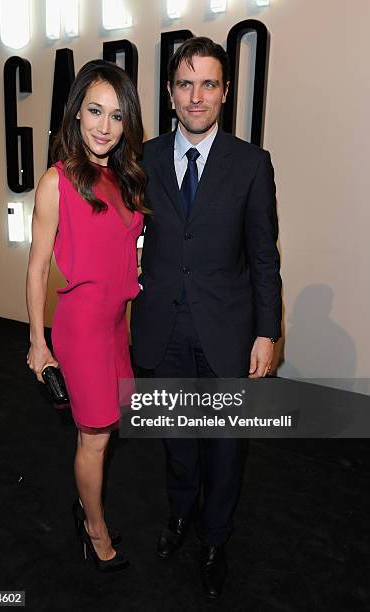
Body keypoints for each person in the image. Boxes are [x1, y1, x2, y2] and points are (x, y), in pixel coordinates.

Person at [131, 37, 282, 598]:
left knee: (223, 442)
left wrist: (267, 331)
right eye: (186, 84)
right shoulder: (142, 158)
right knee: (176, 435)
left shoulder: (251, 164)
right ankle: (178, 516)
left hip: (227, 330)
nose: (197, 96)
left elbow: (265, 256)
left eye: (209, 84)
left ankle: (216, 536)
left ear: (224, 94)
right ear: (171, 94)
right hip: (162, 326)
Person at [26, 59, 146, 572]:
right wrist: (38, 343)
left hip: (117, 327)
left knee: (106, 429)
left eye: (116, 116)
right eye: (94, 111)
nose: (104, 126)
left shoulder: (124, 178)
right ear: (76, 115)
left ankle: (86, 507)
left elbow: (125, 247)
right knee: (94, 436)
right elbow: (36, 271)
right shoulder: (57, 183)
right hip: (81, 330)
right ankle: (94, 530)